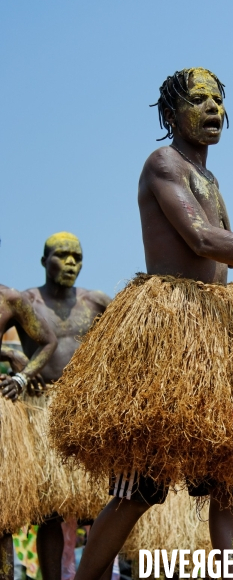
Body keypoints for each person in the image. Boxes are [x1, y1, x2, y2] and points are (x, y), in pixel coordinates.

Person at [48, 68, 233, 580]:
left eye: (217, 101)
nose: (211, 109)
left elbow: (227, 249)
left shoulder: (209, 177)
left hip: (215, 339)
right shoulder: (163, 163)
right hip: (169, 332)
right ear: (172, 113)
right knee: (139, 485)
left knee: (231, 484)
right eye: (198, 100)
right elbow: (203, 240)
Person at [16, 231, 111, 580]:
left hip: (85, 410)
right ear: (44, 261)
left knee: (100, 504)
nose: (71, 263)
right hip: (41, 410)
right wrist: (18, 363)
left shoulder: (96, 302)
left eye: (77, 256)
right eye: (62, 255)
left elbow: (127, 342)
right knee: (50, 511)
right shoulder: (26, 302)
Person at [0, 282, 57, 579]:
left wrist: (22, 378)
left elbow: (48, 341)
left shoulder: (10, 298)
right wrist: (8, 351)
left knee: (1, 518)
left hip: (1, 413)